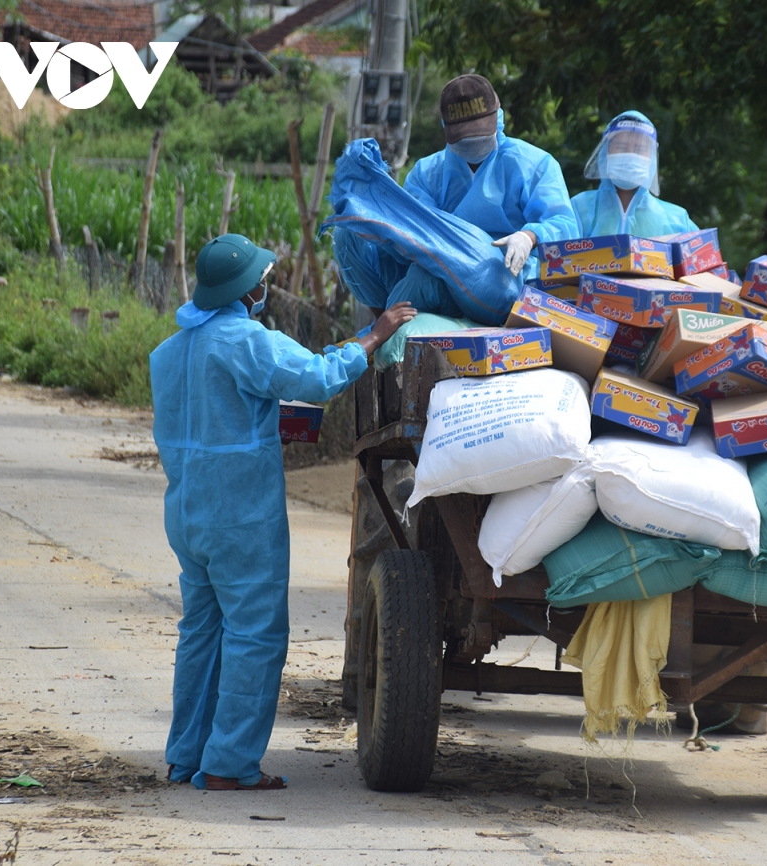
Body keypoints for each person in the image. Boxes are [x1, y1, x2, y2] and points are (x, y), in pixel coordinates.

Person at [150, 234, 415, 791]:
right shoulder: (246, 340)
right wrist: (374, 335)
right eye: (261, 281)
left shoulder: (171, 352)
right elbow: (318, 377)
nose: (265, 289)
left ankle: (186, 757)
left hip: (188, 510)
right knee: (254, 634)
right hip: (239, 513)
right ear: (248, 291)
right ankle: (228, 765)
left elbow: (211, 421)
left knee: (201, 630)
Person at [333, 74, 577, 314]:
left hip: (504, 277)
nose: (473, 142)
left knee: (423, 281)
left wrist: (529, 236)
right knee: (350, 232)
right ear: (445, 128)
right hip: (432, 266)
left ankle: (380, 335)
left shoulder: (533, 164)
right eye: (464, 137)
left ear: (498, 118)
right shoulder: (427, 173)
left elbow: (565, 225)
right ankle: (381, 321)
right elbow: (416, 234)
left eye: (480, 133)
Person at [571, 110, 698, 237]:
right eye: (621, 148)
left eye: (640, 149)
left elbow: (704, 254)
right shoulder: (578, 208)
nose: (630, 156)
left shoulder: (677, 220)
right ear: (605, 153)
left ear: (651, 159)